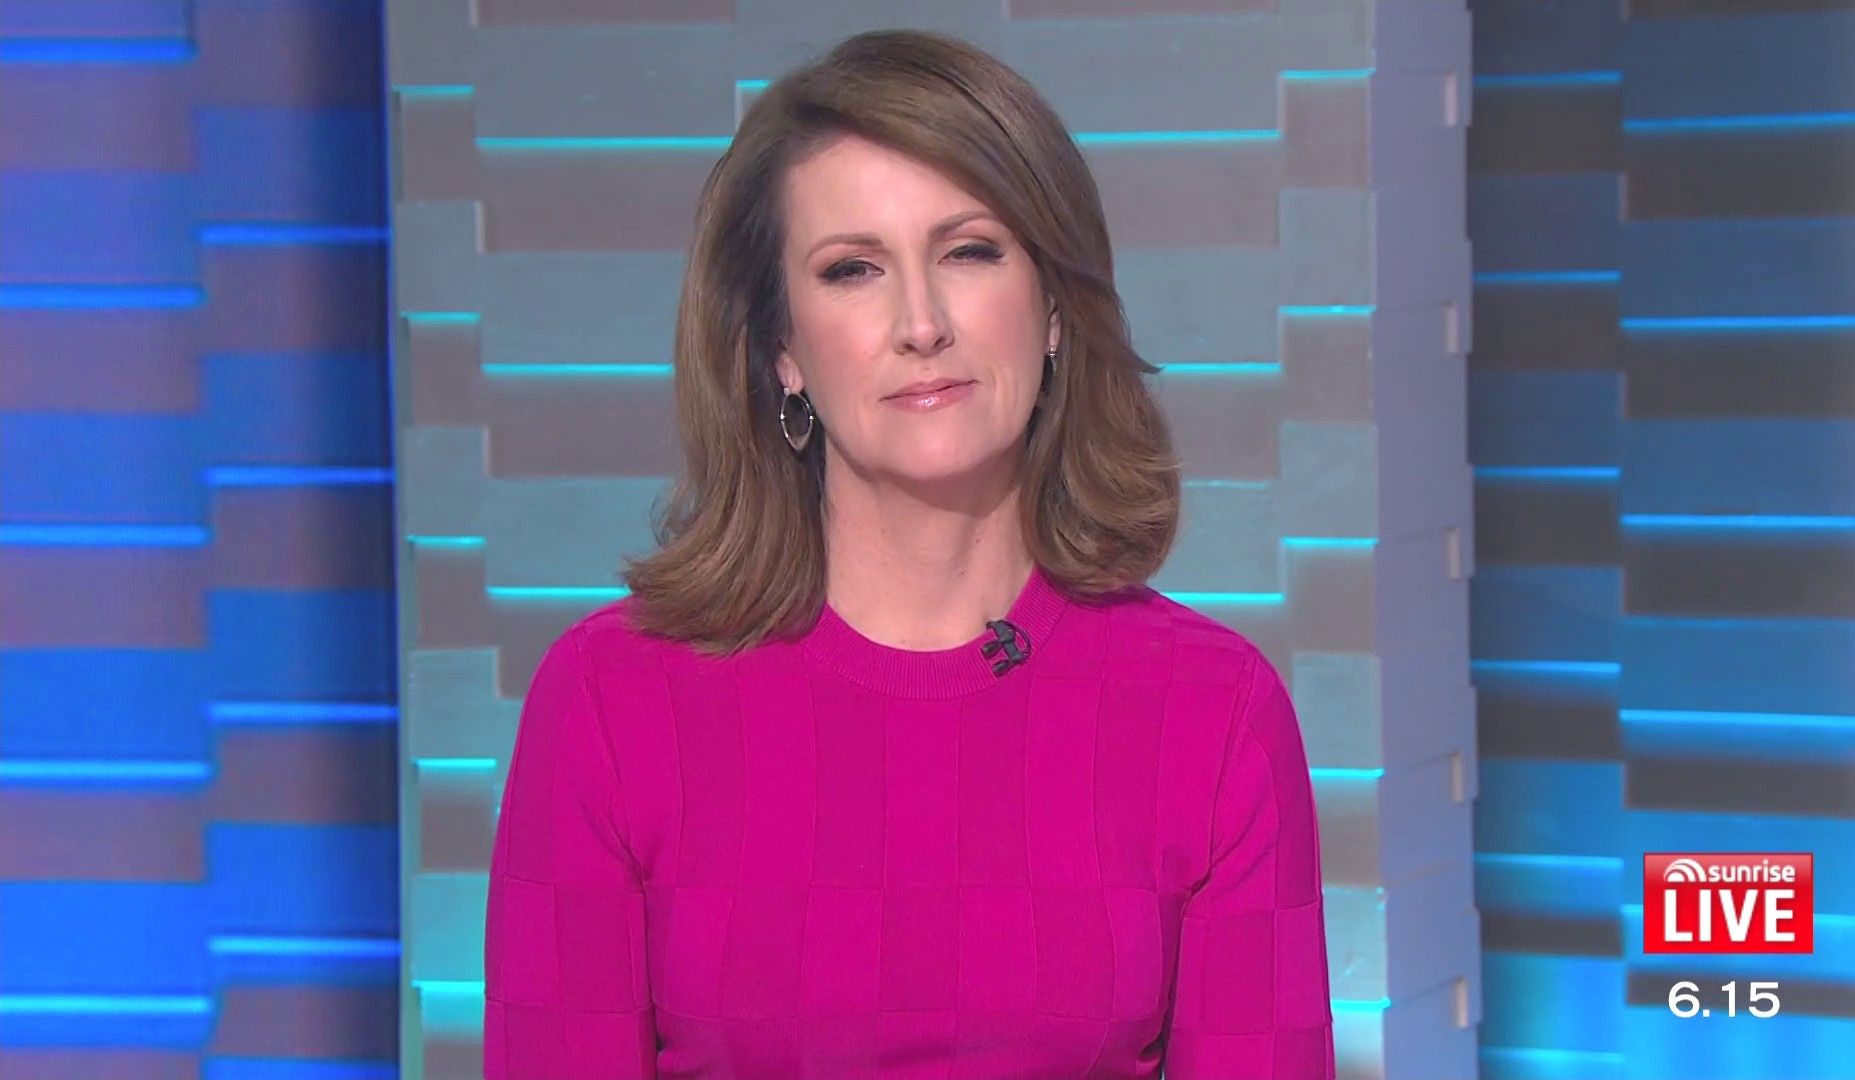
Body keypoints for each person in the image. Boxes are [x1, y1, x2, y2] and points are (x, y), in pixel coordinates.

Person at [481, 27, 1334, 1079]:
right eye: (852, 270)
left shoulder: (1212, 713)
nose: (920, 324)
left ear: (1054, 307)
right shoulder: (611, 700)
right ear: (783, 350)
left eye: (969, 252)